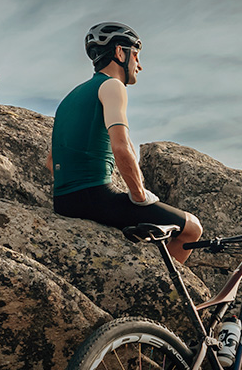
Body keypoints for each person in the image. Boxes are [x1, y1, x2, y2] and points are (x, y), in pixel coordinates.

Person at [46, 21, 205, 263]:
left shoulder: (70, 98)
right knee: (192, 228)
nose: (139, 65)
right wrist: (139, 195)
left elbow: (51, 161)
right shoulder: (112, 86)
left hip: (63, 202)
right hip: (95, 197)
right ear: (120, 52)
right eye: (136, 56)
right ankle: (165, 291)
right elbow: (120, 147)